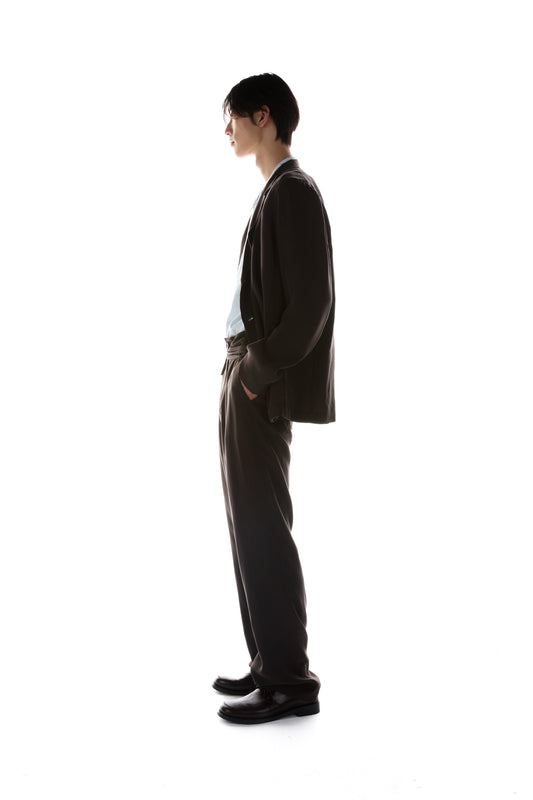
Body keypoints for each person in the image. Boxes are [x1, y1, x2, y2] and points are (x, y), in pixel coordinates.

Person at [215, 73, 335, 724]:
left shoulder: (293, 191)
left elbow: (311, 306)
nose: (226, 130)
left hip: (258, 377)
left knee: (263, 525)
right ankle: (269, 663)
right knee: (248, 522)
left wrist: (257, 372)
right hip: (244, 371)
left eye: (231, 117)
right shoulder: (275, 192)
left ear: (262, 116)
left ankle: (289, 681)